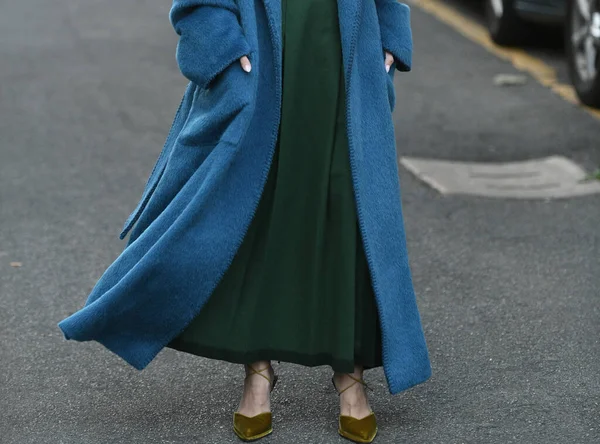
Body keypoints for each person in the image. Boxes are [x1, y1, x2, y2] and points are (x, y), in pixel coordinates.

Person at [58, 0, 431, 442]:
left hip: (347, 58)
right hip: (264, 62)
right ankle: (258, 371)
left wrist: (389, 40)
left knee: (348, 215)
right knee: (258, 212)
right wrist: (223, 55)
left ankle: (349, 374)